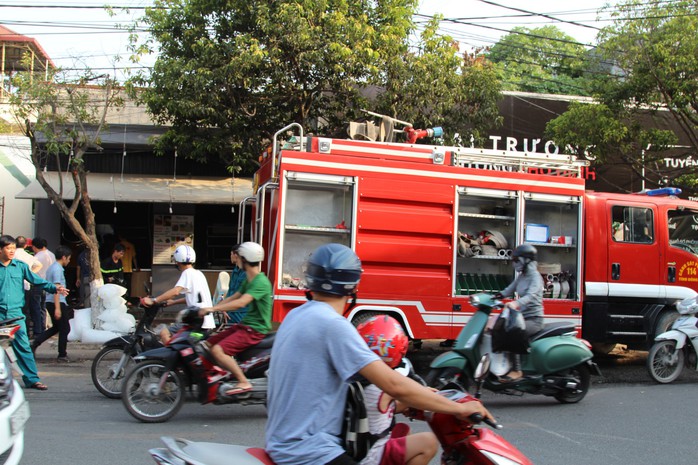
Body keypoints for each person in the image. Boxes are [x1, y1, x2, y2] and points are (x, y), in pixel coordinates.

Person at [265, 243, 493, 465]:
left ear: (310, 280)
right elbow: (393, 384)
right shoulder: (333, 325)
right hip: (308, 451)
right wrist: (461, 408)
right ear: (354, 286)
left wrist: (423, 394)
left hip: (283, 442)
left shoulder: (295, 317)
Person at [355, 314, 439, 465]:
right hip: (372, 453)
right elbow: (416, 396)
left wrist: (406, 405)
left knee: (403, 430)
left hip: (360, 445)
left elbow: (381, 407)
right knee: (429, 442)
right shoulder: (385, 384)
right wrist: (456, 407)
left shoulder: (360, 376)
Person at [198, 241, 271, 396]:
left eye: (239, 257)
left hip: (255, 329)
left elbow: (241, 302)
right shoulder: (249, 280)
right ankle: (220, 375)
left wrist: (213, 308)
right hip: (245, 325)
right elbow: (233, 298)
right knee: (208, 344)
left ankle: (243, 381)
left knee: (218, 350)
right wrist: (211, 307)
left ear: (245, 259)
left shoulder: (260, 281)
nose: (236, 259)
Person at [0, 235, 69, 390]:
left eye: (13, 248)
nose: (11, 251)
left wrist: (54, 288)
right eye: (8, 248)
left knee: (23, 347)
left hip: (15, 315)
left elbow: (36, 280)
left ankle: (32, 379)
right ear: (0, 250)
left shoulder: (20, 266)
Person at [142, 244, 215, 339]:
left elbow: (176, 291)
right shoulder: (199, 274)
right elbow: (193, 297)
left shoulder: (187, 273)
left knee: (164, 333)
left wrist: (154, 300)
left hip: (197, 321)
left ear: (178, 261)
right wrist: (173, 302)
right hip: (206, 321)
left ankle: (169, 354)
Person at [497, 243, 544, 382]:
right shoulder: (522, 276)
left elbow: (530, 296)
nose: (515, 263)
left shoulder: (536, 277)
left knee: (514, 333)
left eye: (517, 260)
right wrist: (495, 296)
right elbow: (509, 289)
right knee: (501, 329)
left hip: (535, 320)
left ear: (526, 260)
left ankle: (517, 370)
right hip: (523, 317)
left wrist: (515, 303)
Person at [31, 245, 73, 362]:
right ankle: (62, 354)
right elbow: (56, 289)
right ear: (64, 257)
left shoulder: (52, 267)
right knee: (64, 328)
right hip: (56, 302)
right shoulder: (57, 269)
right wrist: (58, 308)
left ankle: (35, 343)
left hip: (52, 301)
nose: (69, 261)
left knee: (57, 328)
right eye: (69, 258)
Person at [29, 236, 56, 338]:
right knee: (44, 307)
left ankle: (38, 330)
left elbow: (30, 271)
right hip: (49, 285)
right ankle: (44, 328)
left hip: (38, 284)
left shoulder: (36, 257)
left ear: (34, 247)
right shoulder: (52, 255)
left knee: (36, 307)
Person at [14, 236, 42, 321]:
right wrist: (29, 274)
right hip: (26, 286)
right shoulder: (28, 256)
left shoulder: (11, 254)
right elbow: (39, 265)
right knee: (25, 311)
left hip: (13, 286)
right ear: (25, 245)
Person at [224, 244, 249, 324]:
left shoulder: (246, 273)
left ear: (235, 254)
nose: (230, 256)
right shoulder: (235, 271)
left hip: (241, 313)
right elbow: (230, 290)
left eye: (231, 254)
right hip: (231, 312)